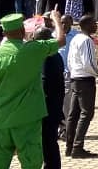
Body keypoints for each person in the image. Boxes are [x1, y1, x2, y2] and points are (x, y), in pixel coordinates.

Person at [0, 12, 66, 169]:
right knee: (31, 164)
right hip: (28, 120)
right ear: (22, 30)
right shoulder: (34, 49)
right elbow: (60, 40)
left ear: (4, 33)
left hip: (0, 120)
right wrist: (57, 20)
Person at [64, 15, 98, 158]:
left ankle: (69, 146)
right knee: (86, 113)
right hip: (85, 79)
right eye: (94, 23)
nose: (96, 26)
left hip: (75, 78)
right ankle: (77, 147)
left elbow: (70, 60)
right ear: (87, 25)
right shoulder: (86, 40)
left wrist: (73, 73)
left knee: (74, 114)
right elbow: (88, 63)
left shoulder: (75, 38)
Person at [32, 26, 66, 169]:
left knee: (48, 143)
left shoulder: (47, 56)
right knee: (49, 142)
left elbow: (45, 82)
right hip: (54, 106)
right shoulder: (55, 54)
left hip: (46, 107)